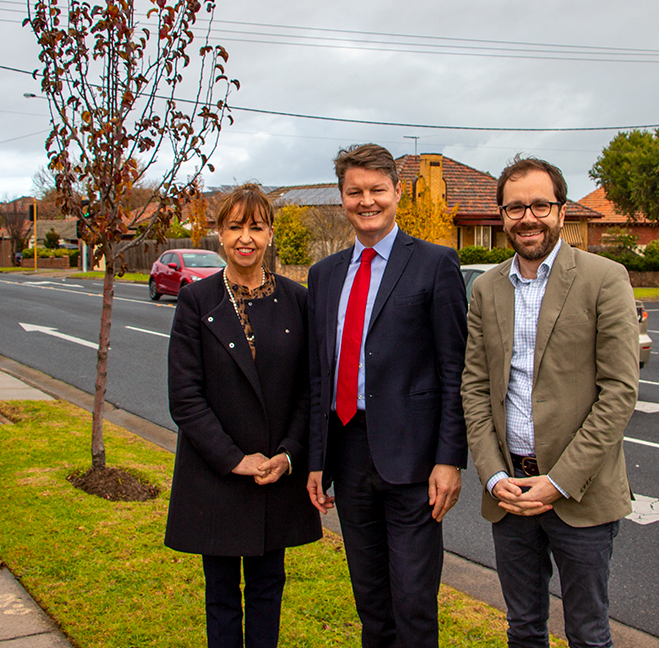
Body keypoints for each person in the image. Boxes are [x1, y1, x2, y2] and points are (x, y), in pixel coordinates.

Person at [460, 156, 639, 648]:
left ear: (561, 212)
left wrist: (558, 483)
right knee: (523, 629)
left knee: (587, 632)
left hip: (579, 493)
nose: (528, 217)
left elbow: (620, 392)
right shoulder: (486, 287)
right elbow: (474, 389)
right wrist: (495, 476)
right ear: (501, 216)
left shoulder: (604, 278)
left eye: (541, 204)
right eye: (515, 207)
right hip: (510, 492)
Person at [306, 143, 468, 648]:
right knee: (371, 602)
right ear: (342, 198)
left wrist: (449, 459)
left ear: (398, 193)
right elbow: (318, 375)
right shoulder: (324, 274)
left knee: (414, 604)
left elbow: (454, 371)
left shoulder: (436, 265)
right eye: (355, 192)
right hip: (349, 454)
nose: (367, 201)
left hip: (414, 462)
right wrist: (317, 460)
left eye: (377, 190)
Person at [164, 183, 322, 648]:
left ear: (270, 233)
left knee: (268, 588)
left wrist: (288, 455)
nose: (245, 237)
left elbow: (309, 391)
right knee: (221, 596)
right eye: (235, 227)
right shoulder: (197, 301)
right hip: (218, 474)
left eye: (256, 226)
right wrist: (235, 459)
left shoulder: (299, 300)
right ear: (219, 233)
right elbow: (185, 397)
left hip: (276, 473)